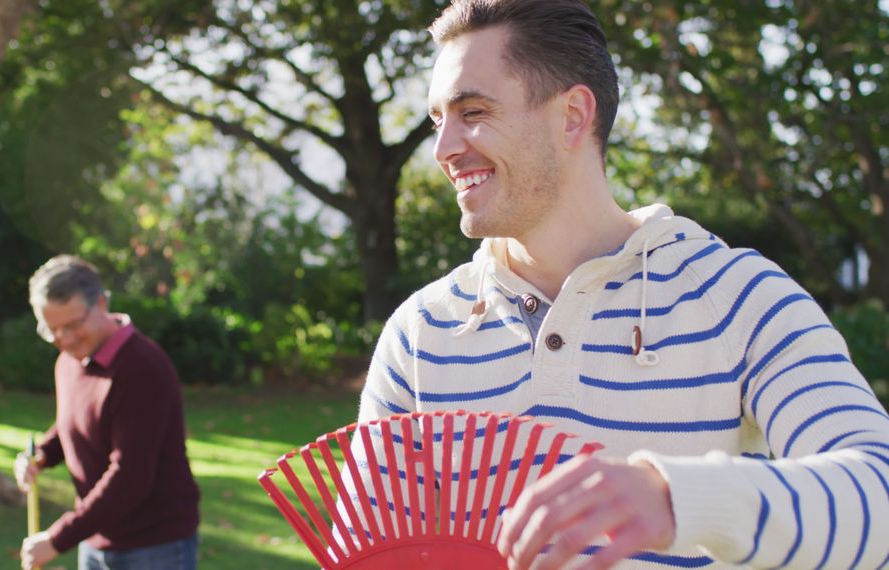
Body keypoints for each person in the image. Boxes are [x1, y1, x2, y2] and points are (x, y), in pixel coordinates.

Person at [351, 0, 889, 568]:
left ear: (573, 116)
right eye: (439, 121)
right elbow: (368, 551)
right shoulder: (422, 331)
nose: (443, 149)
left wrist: (678, 497)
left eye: (474, 111)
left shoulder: (738, 297)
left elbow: (878, 492)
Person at [15, 255, 200, 570]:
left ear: (101, 303)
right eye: (52, 330)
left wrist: (57, 539)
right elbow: (75, 420)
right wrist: (42, 454)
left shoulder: (141, 368)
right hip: (97, 539)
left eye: (73, 325)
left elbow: (129, 477)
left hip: (154, 545)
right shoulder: (71, 360)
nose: (65, 339)